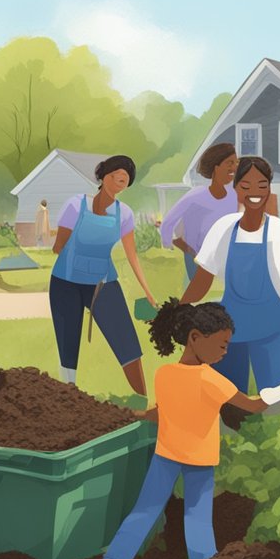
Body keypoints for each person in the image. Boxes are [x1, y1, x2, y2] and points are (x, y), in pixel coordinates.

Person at [74, 299, 280, 559]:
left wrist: (131, 414)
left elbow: (159, 413)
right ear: (195, 338)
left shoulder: (164, 374)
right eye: (222, 345)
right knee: (197, 518)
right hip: (198, 461)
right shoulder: (212, 380)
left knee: (145, 509)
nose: (225, 352)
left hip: (166, 455)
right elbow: (251, 406)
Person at [181, 157, 280, 429]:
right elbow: (202, 281)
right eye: (247, 185)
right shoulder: (223, 229)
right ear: (237, 188)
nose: (255, 192)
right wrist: (177, 311)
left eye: (262, 185)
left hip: (273, 329)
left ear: (269, 189)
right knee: (228, 407)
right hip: (230, 332)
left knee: (275, 406)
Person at [49, 155, 158, 395]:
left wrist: (148, 293)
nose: (121, 179)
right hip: (66, 283)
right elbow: (59, 246)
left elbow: (132, 256)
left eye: (125, 178)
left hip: (103, 283)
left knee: (126, 340)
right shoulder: (76, 205)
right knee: (68, 343)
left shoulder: (124, 214)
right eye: (116, 175)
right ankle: (69, 396)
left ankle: (144, 398)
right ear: (103, 176)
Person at [160, 143, 239, 285]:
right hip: (195, 257)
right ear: (216, 167)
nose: (234, 167)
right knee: (200, 293)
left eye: (236, 162)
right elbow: (167, 222)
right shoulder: (196, 195)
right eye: (230, 163)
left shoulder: (233, 196)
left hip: (222, 257)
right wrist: (174, 245)